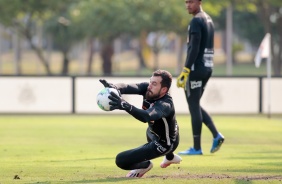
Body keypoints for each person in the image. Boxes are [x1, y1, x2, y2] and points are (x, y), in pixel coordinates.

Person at [99, 70, 182, 178]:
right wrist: (113, 87)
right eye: (150, 81)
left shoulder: (165, 104)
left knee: (120, 160)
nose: (149, 86)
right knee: (150, 130)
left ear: (164, 89)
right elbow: (126, 86)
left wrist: (124, 105)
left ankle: (145, 165)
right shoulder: (148, 89)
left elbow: (146, 116)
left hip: (165, 144)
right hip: (160, 134)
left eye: (154, 84)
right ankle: (170, 158)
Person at [176, 0, 224, 155]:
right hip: (208, 67)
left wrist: (186, 69)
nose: (188, 5)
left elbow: (194, 47)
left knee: (193, 106)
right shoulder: (208, 19)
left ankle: (197, 148)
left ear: (199, 2)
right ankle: (216, 135)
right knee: (195, 104)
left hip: (196, 68)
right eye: (186, 2)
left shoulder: (196, 21)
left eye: (191, 2)